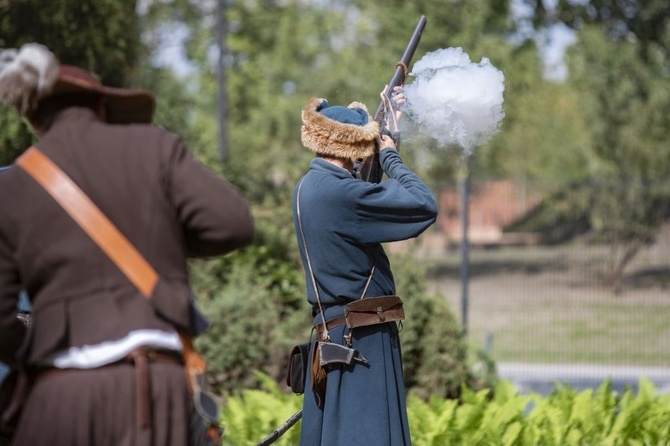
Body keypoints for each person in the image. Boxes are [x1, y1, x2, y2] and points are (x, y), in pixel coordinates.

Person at [0, 43, 254, 445]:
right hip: (152, 388)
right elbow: (233, 223)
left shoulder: (10, 186)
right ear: (101, 107)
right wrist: (163, 243)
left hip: (57, 394)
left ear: (36, 120)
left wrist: (33, 345)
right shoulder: (153, 147)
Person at [293, 88, 438, 445]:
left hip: (338, 339)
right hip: (362, 344)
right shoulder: (341, 195)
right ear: (355, 146)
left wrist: (390, 129)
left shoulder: (310, 186)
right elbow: (423, 205)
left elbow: (361, 200)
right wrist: (390, 157)